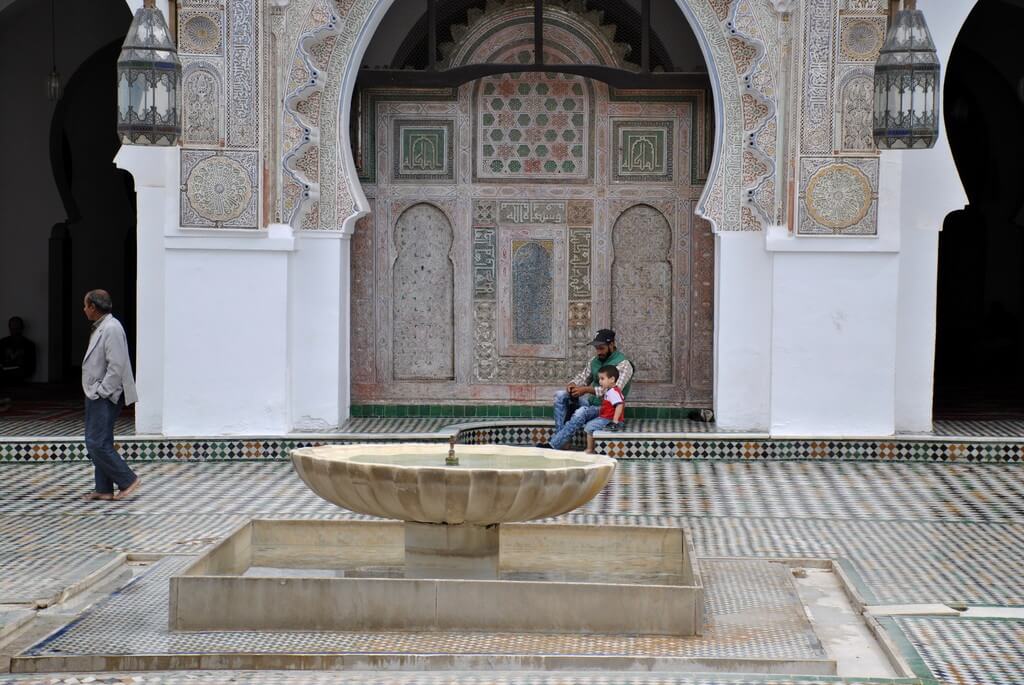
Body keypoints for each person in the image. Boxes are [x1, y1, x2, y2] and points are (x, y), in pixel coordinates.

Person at [81, 290, 141, 502]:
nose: (84, 309)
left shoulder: (112, 328)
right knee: (100, 441)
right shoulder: (102, 327)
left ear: (94, 307)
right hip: (97, 392)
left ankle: (128, 480)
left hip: (105, 394)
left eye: (86, 305)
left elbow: (117, 364)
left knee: (96, 442)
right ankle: (104, 488)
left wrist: (103, 391)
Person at [540, 329, 634, 450]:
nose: (599, 351)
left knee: (581, 412)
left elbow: (613, 391)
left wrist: (586, 390)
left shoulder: (624, 364)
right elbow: (582, 377)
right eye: (597, 348)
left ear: (612, 345)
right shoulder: (594, 361)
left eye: (602, 348)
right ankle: (563, 441)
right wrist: (573, 384)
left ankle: (553, 445)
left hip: (605, 409)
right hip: (591, 404)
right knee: (560, 395)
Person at [579, 365, 626, 454]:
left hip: (608, 419)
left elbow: (619, 405)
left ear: (612, 379)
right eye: (599, 379)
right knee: (591, 423)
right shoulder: (612, 390)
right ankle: (592, 448)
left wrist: (615, 421)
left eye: (602, 379)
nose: (600, 381)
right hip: (606, 417)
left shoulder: (613, 392)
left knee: (589, 427)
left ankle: (590, 449)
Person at [0, 317, 37, 406]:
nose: (14, 330)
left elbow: (31, 366)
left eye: (17, 328)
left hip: (19, 372)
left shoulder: (29, 345)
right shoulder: (2, 343)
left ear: (22, 328)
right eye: (12, 328)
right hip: (4, 371)